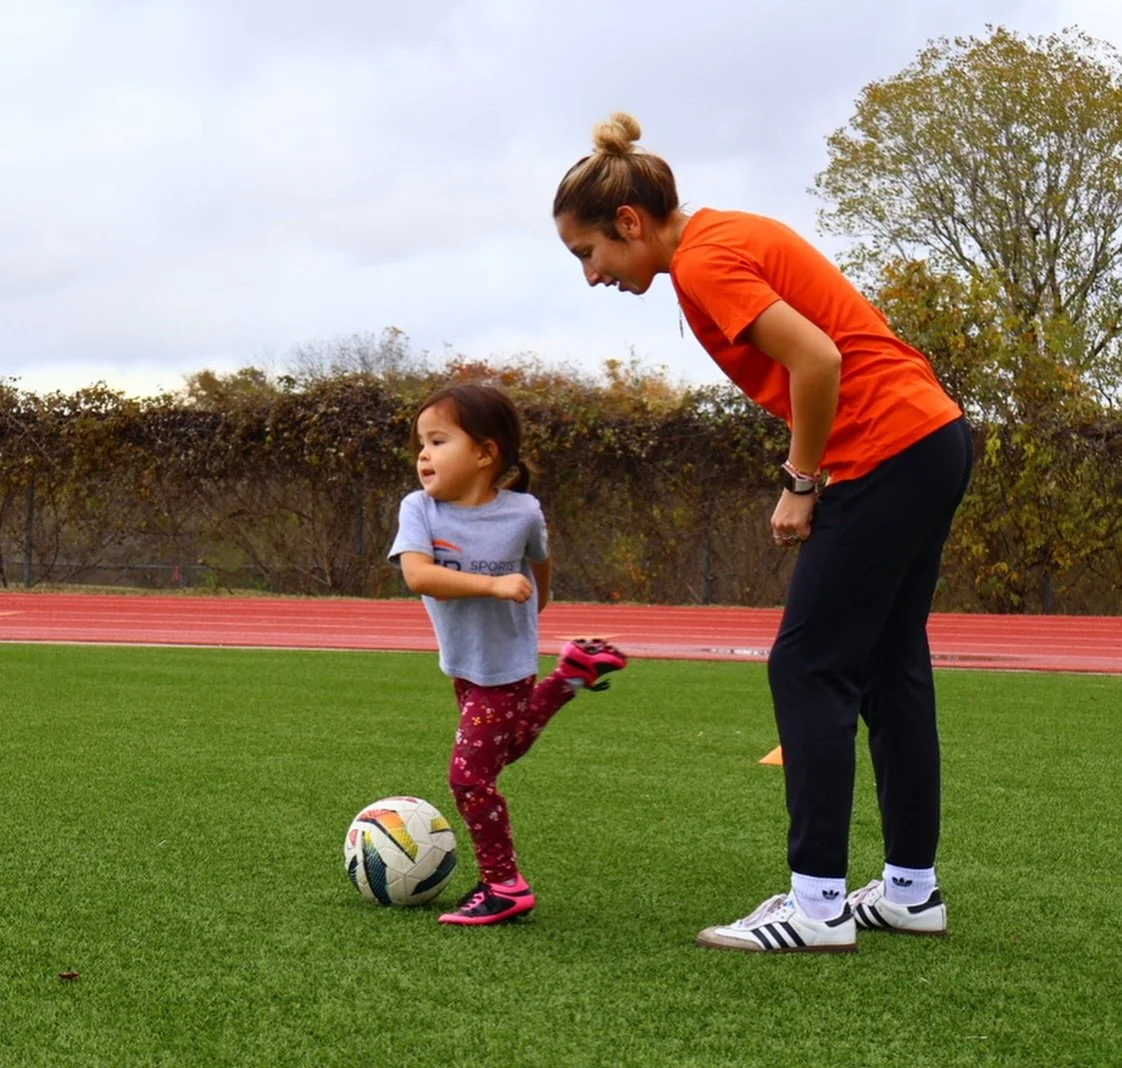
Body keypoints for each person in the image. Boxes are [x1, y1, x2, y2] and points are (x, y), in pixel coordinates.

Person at [553, 114, 973, 954]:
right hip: (931, 436)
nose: (591, 275)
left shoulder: (705, 261)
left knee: (808, 662)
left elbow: (819, 361)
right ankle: (909, 893)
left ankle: (815, 907)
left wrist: (801, 481)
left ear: (629, 222)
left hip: (886, 446)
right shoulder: (725, 235)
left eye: (588, 254)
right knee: (890, 666)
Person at [388, 382, 628, 926]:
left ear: (484, 453)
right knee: (504, 748)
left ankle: (505, 885)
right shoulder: (419, 509)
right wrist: (495, 587)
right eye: (420, 443)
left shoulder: (522, 513)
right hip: (464, 664)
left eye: (438, 440)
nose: (423, 454)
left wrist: (538, 597)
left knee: (470, 778)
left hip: (507, 666)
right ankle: (573, 674)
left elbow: (540, 562)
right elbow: (418, 575)